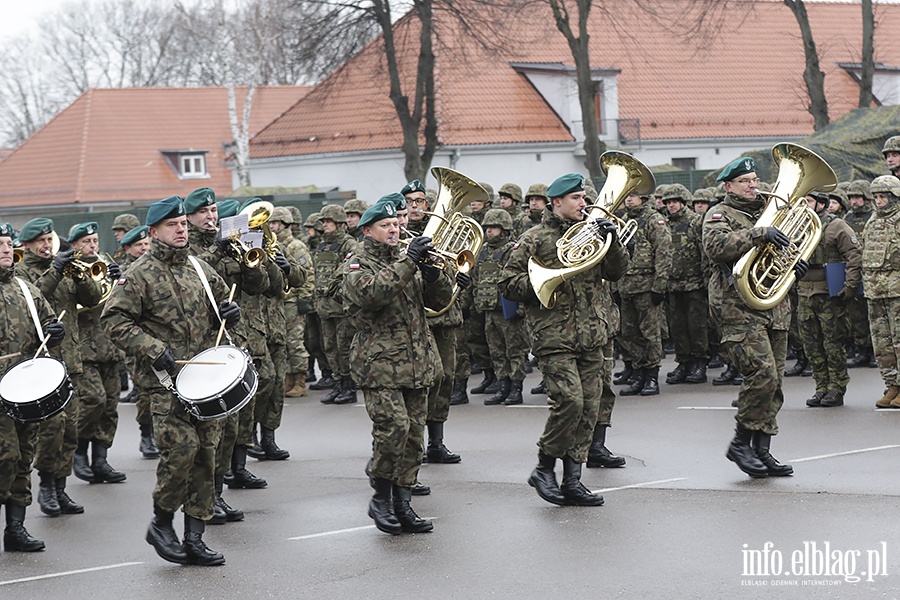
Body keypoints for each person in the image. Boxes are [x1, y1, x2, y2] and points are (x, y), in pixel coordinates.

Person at [102, 195, 242, 566]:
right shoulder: (139, 274)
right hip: (164, 384)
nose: (181, 230)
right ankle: (161, 522)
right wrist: (150, 347)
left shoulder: (198, 267)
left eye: (183, 224)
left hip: (204, 380)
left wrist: (229, 313)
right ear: (154, 232)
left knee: (206, 457)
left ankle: (195, 537)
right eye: (172, 225)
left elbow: (218, 310)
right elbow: (113, 321)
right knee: (180, 453)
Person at [499, 173, 629, 506]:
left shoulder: (592, 232)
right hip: (554, 335)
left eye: (584, 197)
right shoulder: (533, 239)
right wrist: (545, 282)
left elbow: (616, 273)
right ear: (557, 203)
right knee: (569, 402)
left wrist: (613, 244)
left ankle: (573, 479)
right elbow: (508, 284)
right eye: (576, 198)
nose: (584, 203)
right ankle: (544, 466)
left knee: (589, 408)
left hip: (593, 333)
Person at [342, 196, 453, 534]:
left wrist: (433, 275)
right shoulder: (357, 263)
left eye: (396, 224)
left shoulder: (410, 259)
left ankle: (404, 502)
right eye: (385, 226)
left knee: (413, 438)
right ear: (368, 230)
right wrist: (410, 264)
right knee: (393, 430)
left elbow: (440, 302)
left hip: (417, 362)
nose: (395, 229)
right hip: (379, 364)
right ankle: (381, 496)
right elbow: (371, 295)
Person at [702, 156, 802, 478]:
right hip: (737, 307)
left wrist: (793, 266)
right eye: (746, 181)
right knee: (762, 373)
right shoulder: (719, 214)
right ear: (728, 186)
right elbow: (717, 247)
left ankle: (762, 449)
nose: (754, 186)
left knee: (775, 383)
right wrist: (758, 235)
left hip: (773, 306)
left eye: (756, 180)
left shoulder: (768, 212)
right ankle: (740, 443)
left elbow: (781, 253)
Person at [17, 218, 103, 516]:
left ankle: (61, 487)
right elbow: (34, 296)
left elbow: (92, 298)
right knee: (50, 429)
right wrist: (55, 270)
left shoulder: (65, 268)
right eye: (39, 241)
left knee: (70, 428)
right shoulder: (21, 272)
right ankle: (46, 487)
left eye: (48, 239)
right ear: (27, 245)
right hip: (42, 363)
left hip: (71, 360)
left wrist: (80, 277)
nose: (46, 245)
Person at [0, 222, 65, 551]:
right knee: (5, 456)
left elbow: (48, 322)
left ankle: (15, 528)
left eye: (8, 243)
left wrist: (55, 333)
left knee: (24, 456)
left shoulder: (25, 288)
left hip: (25, 389)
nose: (6, 249)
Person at [70, 222, 126, 484]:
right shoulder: (71, 273)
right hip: (85, 349)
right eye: (86, 242)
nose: (92, 246)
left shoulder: (106, 266)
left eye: (94, 240)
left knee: (110, 406)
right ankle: (78, 451)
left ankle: (101, 459)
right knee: (93, 400)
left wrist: (119, 277)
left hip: (111, 347)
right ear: (74, 247)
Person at [797, 192, 861, 408]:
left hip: (828, 294)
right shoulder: (797, 226)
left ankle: (837, 388)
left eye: (808, 202)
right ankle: (821, 387)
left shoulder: (836, 226)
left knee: (833, 343)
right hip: (804, 293)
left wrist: (850, 286)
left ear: (821, 204)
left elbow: (854, 255)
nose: (803, 206)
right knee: (812, 346)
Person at [615, 191, 672, 396]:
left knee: (650, 334)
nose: (628, 199)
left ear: (645, 198)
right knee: (629, 333)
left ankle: (652, 376)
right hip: (626, 286)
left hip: (647, 287)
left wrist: (659, 285)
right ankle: (638, 374)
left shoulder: (653, 220)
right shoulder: (623, 221)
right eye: (627, 196)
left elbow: (664, 253)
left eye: (634, 196)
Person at [471, 208, 527, 405]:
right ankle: (503, 386)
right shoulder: (483, 250)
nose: (489, 231)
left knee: (515, 351)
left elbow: (519, 278)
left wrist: (520, 308)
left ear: (504, 229)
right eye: (487, 227)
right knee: (496, 351)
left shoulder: (513, 250)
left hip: (507, 311)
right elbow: (476, 279)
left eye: (494, 227)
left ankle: (516, 388)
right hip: (489, 310)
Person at [662, 184, 710, 384]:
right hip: (673, 285)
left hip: (694, 284)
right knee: (678, 326)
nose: (671, 205)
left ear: (683, 202)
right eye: (668, 202)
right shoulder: (665, 224)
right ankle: (684, 361)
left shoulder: (695, 222)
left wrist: (706, 281)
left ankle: (699, 362)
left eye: (674, 201)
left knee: (697, 326)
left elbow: (705, 253)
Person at [118, 226, 158, 459]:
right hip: (138, 342)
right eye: (139, 246)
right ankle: (146, 435)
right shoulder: (125, 272)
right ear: (128, 249)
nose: (144, 249)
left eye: (146, 244)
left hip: (161, 339)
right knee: (145, 393)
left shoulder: (154, 267)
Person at [862, 176, 900, 408]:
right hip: (875, 291)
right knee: (882, 343)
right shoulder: (872, 221)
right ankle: (893, 385)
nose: (878, 201)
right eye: (875, 197)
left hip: (897, 291)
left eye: (882, 196)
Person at [844, 180, 876, 368]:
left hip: (871, 271)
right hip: (853, 271)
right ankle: (861, 350)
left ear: (866, 198)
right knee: (856, 314)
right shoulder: (847, 219)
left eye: (857, 197)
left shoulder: (873, 217)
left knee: (872, 314)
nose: (854, 201)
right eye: (851, 198)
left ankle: (873, 351)